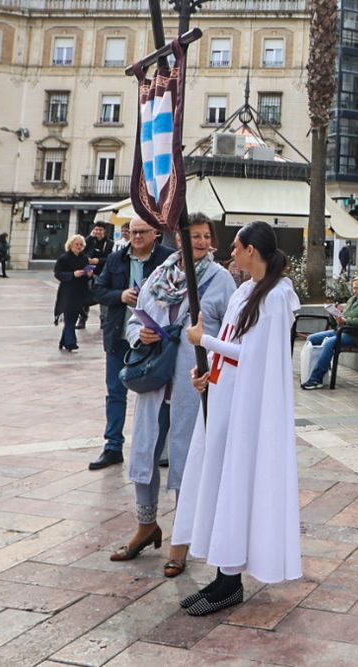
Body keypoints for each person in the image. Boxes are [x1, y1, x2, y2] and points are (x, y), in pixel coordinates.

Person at [172, 220, 301, 616]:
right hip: (224, 396)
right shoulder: (245, 290)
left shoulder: (278, 297)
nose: (230, 252)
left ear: (250, 250)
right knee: (217, 482)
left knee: (235, 482)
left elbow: (258, 357)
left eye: (236, 247)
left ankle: (229, 581)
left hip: (248, 408)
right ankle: (222, 576)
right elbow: (232, 345)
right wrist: (205, 372)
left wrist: (203, 341)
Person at [112, 212, 236, 576]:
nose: (199, 242)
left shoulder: (220, 279)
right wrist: (141, 334)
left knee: (186, 454)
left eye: (204, 236)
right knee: (146, 450)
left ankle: (180, 543)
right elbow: (136, 318)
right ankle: (146, 526)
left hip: (193, 381)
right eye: (193, 236)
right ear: (179, 239)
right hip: (154, 377)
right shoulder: (160, 274)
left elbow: (231, 333)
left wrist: (213, 369)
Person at [88, 218, 173, 471]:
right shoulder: (116, 259)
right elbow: (98, 290)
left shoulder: (168, 259)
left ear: (155, 234)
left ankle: (159, 448)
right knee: (115, 392)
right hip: (119, 336)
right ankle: (113, 446)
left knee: (158, 395)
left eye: (142, 232)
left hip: (153, 340)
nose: (136, 237)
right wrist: (120, 295)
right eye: (133, 232)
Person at [299, 275, 358, 389]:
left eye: (356, 288)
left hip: (356, 335)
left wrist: (345, 320)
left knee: (329, 343)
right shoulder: (353, 299)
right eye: (353, 288)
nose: (354, 291)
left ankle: (316, 379)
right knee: (312, 338)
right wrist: (334, 315)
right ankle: (309, 372)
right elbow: (343, 317)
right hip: (342, 331)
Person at [53, 234, 95, 353]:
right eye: (77, 244)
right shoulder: (64, 258)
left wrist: (88, 274)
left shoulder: (84, 258)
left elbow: (87, 276)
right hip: (68, 291)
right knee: (69, 316)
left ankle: (64, 341)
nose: (79, 247)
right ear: (70, 245)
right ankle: (71, 342)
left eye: (81, 245)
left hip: (80, 291)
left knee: (73, 316)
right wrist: (72, 274)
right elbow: (58, 273)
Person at [82, 222, 114, 330]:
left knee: (103, 297)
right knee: (84, 296)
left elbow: (110, 258)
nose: (98, 232)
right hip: (88, 271)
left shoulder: (109, 243)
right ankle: (82, 319)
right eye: (96, 229)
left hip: (102, 273)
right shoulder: (89, 241)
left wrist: (99, 260)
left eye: (100, 230)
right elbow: (82, 252)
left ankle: (104, 321)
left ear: (104, 231)